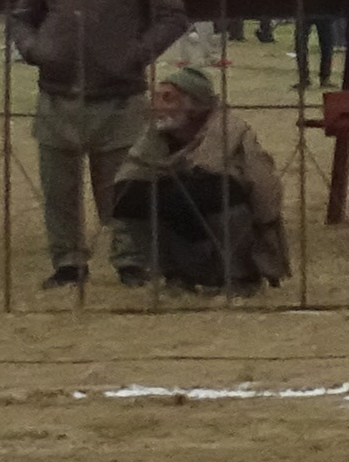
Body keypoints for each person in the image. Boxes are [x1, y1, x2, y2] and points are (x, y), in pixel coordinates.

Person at [11, 0, 197, 287]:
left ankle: (130, 260)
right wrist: (35, 49)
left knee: (123, 186)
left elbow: (171, 16)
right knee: (58, 189)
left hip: (119, 94)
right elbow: (23, 17)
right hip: (57, 91)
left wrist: (134, 55)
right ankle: (67, 263)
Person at [105, 56, 290, 292]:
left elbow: (264, 190)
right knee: (130, 196)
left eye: (168, 98)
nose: (156, 106)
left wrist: (268, 241)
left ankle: (241, 277)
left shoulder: (229, 131)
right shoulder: (154, 138)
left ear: (196, 106)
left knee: (220, 191)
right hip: (181, 218)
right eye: (156, 98)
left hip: (223, 220)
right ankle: (176, 274)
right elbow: (129, 177)